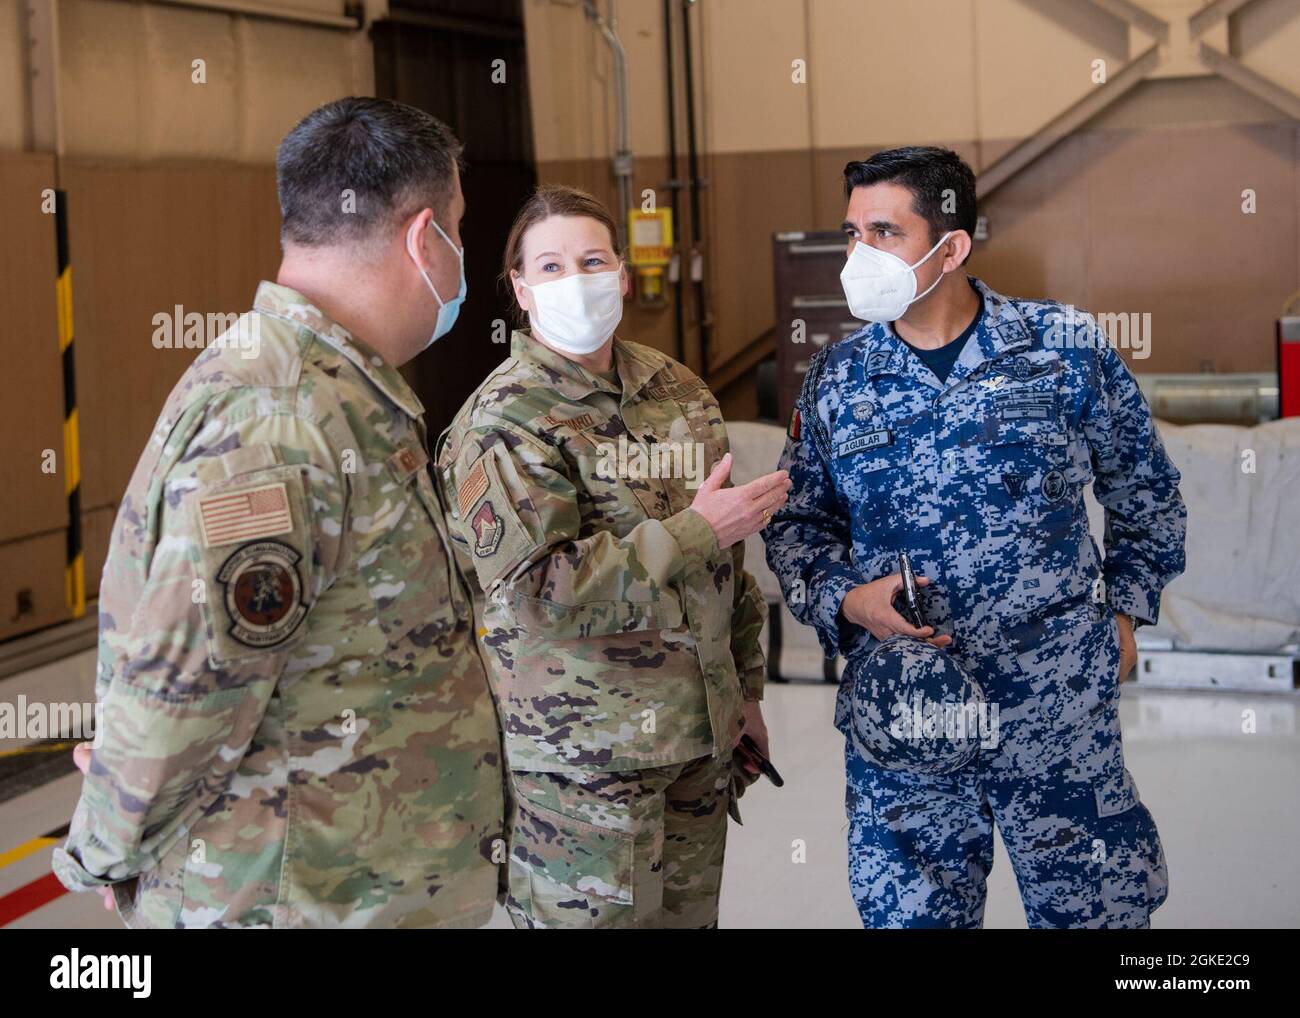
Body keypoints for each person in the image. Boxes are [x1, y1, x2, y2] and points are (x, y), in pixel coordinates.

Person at [51, 97, 503, 928]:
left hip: (353, 885)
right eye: (461, 232)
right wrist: (98, 848)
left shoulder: (329, 392)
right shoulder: (282, 417)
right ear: (423, 238)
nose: (461, 256)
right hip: (294, 899)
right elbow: (182, 692)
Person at [765, 146, 1187, 928]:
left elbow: (1146, 490)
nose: (859, 254)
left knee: (1094, 916)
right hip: (906, 717)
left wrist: (1127, 612)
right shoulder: (837, 380)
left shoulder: (1063, 349)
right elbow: (798, 524)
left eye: (884, 231)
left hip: (1056, 713)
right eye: (851, 232)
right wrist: (847, 599)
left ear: (951, 246)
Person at [437, 184, 789, 928]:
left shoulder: (678, 391)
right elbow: (539, 589)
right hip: (583, 766)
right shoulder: (504, 421)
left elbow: (728, 571)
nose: (578, 279)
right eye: (553, 265)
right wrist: (696, 531)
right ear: (522, 290)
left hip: (698, 743)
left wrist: (745, 690)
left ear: (623, 276)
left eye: (593, 260)